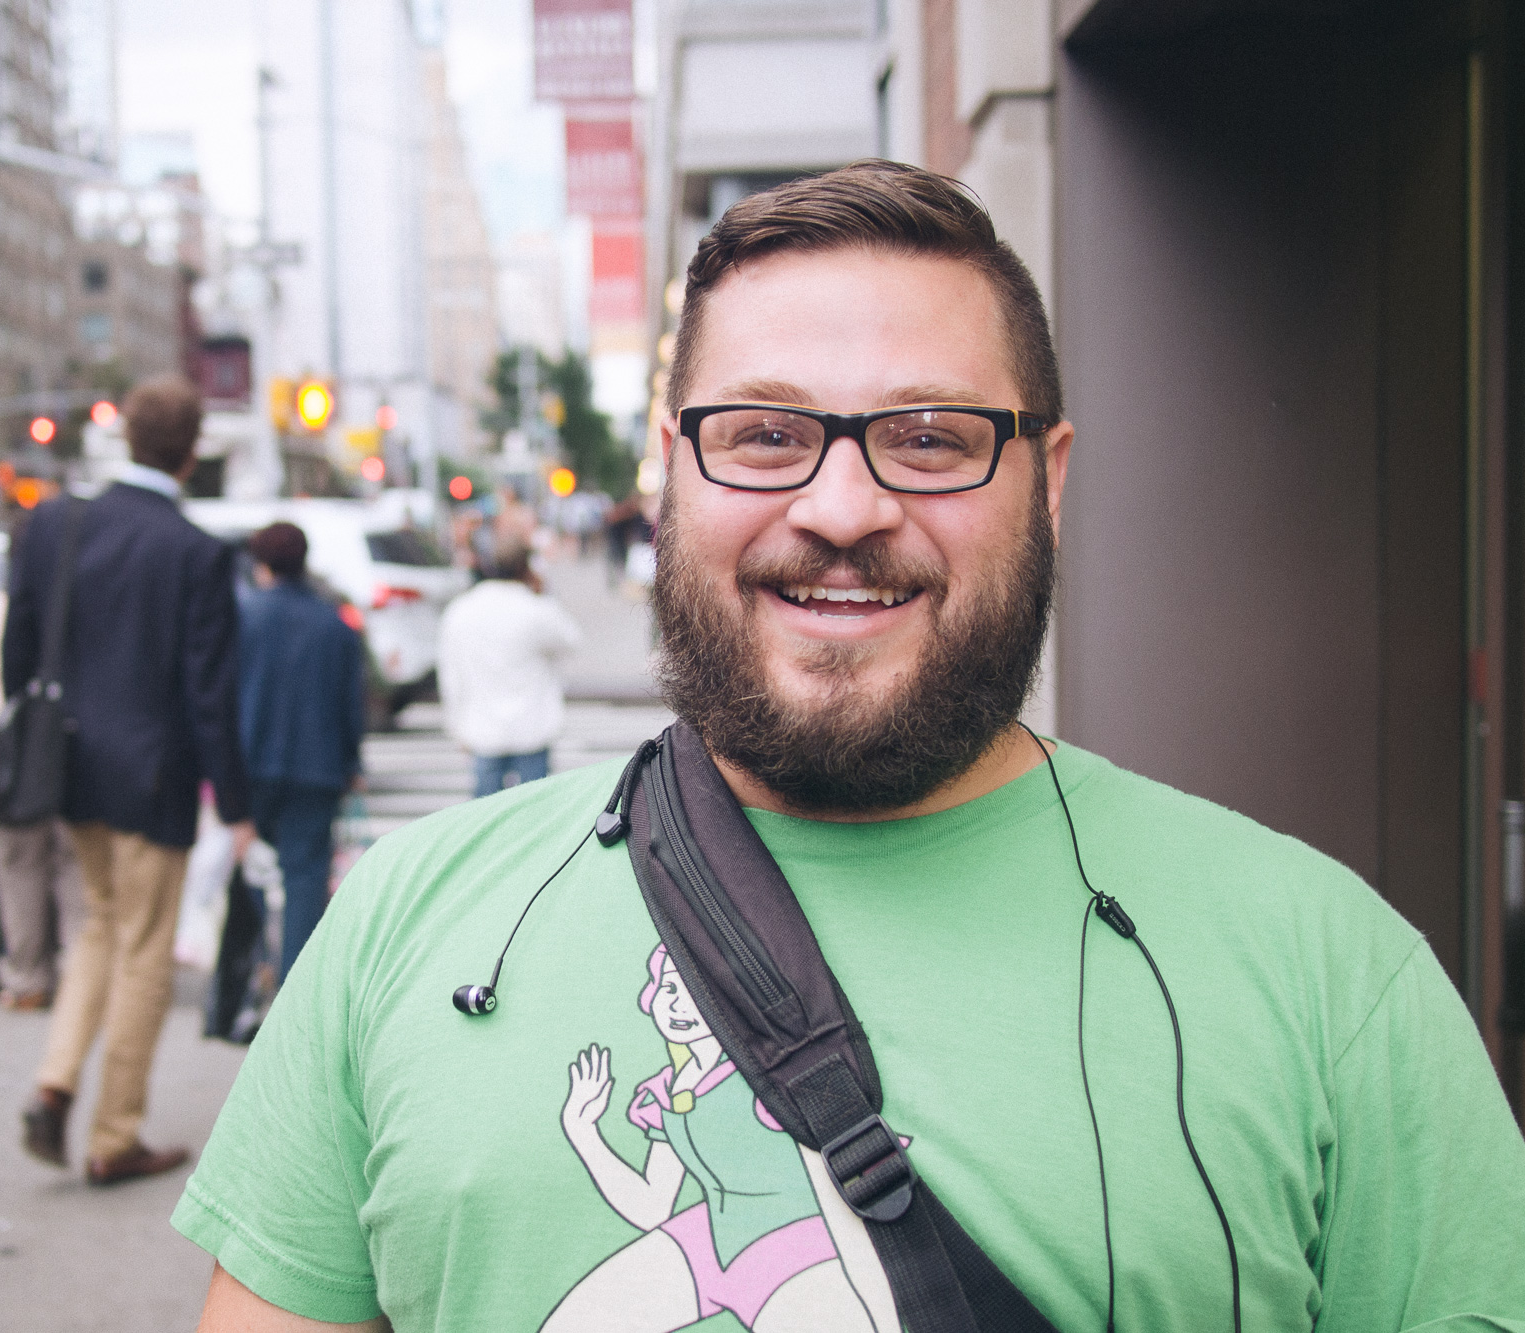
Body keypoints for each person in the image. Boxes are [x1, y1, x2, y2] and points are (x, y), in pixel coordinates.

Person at [175, 163, 1525, 1329]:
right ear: (670, 474)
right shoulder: (405, 926)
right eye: (762, 435)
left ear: (1046, 483)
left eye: (931, 439)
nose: (840, 505)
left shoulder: (1332, 976)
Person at [6, 374, 253, 1188]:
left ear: (124, 438)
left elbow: (20, 648)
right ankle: (115, 1133)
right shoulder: (194, 551)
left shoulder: (52, 524)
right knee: (145, 949)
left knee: (101, 928)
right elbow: (207, 694)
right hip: (153, 777)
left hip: (72, 765)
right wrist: (238, 802)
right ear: (190, 453)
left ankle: (55, 1080)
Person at [235, 520, 367, 981]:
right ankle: (294, 983)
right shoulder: (334, 624)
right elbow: (350, 702)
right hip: (317, 765)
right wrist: (353, 761)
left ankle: (248, 971)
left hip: (250, 764)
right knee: (306, 877)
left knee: (245, 870)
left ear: (262, 564)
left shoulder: (243, 616)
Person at [0, 584, 84, 1010]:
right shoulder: (77, 603)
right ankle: (83, 978)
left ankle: (30, 977)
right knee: (72, 866)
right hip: (71, 754)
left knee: (20, 867)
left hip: (9, 758)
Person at [436, 536, 582, 798]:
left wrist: (456, 725)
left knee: (487, 821)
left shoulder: (460, 611)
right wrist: (544, 593)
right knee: (535, 817)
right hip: (532, 727)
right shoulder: (535, 609)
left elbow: (451, 675)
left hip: (483, 731)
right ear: (526, 568)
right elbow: (571, 640)